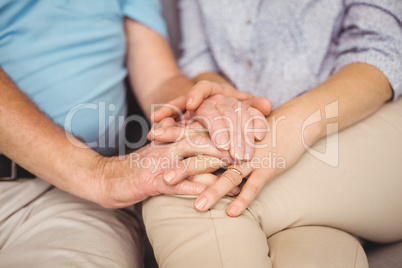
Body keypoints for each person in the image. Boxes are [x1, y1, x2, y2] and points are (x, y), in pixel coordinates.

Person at [0, 0, 271, 266]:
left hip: (73, 200)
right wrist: (98, 175)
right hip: (86, 178)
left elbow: (160, 78)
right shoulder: (99, 177)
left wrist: (198, 107)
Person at [144, 0, 402, 267]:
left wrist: (290, 125)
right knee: (311, 251)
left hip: (364, 123)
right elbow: (200, 57)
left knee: (185, 196)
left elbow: (383, 52)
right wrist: (231, 109)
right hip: (262, 132)